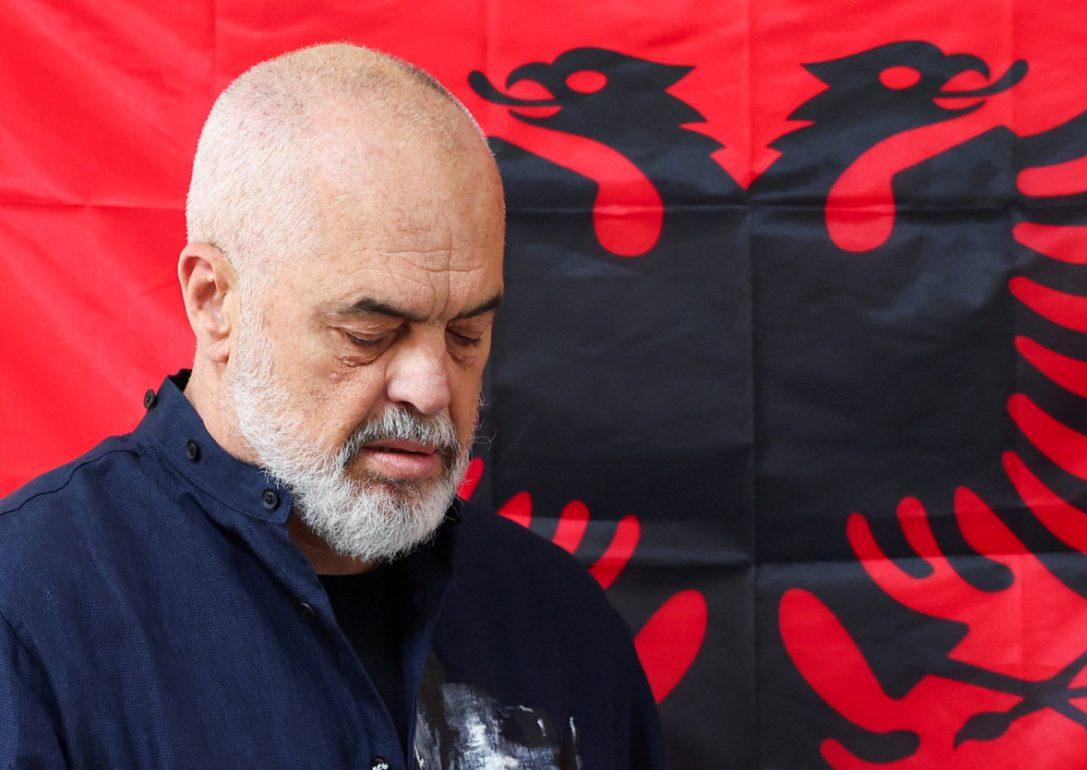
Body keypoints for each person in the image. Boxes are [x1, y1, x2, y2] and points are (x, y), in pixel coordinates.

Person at [0, 43, 665, 770]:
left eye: (467, 335)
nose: (431, 389)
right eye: (368, 335)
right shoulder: (30, 610)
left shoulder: (557, 619)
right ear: (214, 301)